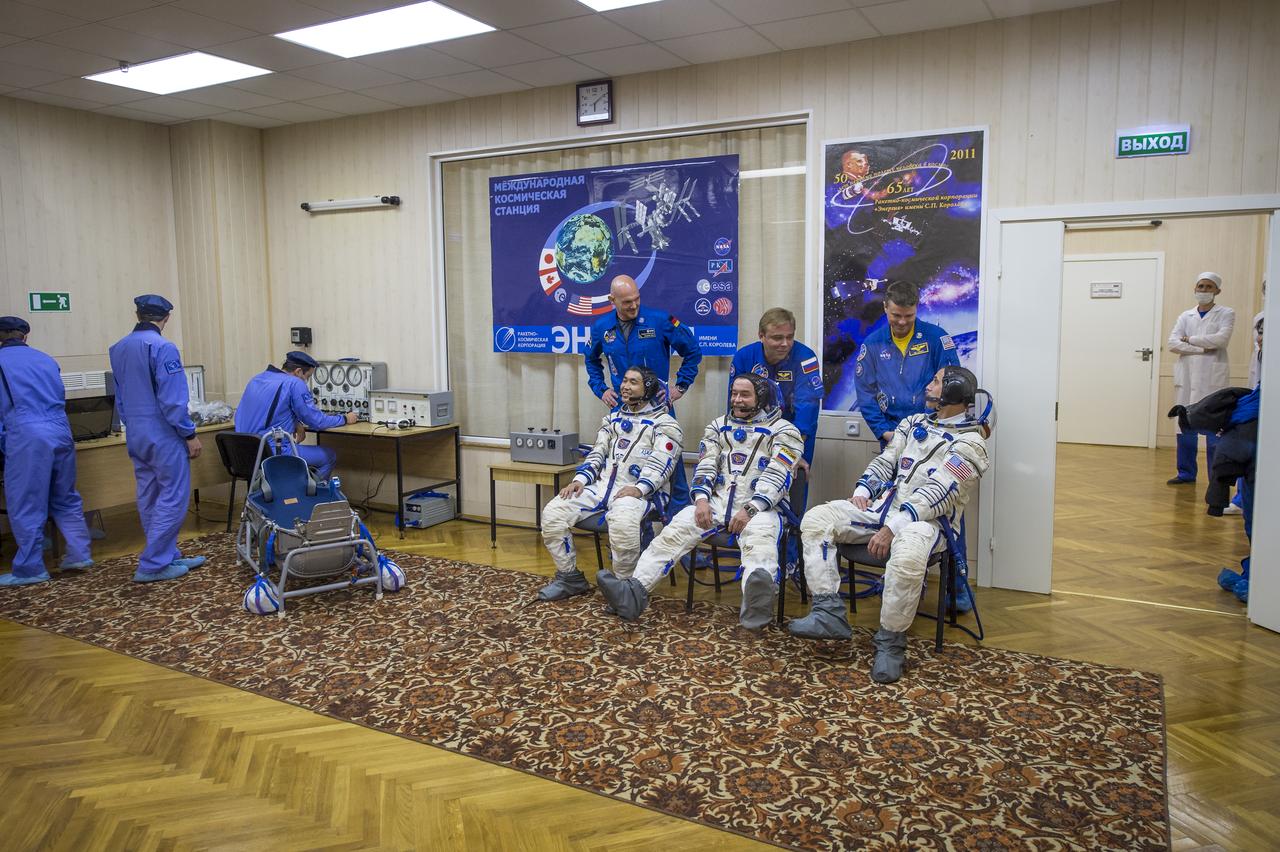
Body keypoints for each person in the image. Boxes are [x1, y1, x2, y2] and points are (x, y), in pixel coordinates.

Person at [790, 366, 989, 684]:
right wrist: (864, 489)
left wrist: (894, 527)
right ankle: (828, 613)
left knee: (909, 555)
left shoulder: (971, 444)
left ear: (952, 392)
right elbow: (888, 459)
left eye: (936, 382)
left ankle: (891, 644)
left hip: (930, 525)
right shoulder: (913, 424)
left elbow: (940, 492)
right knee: (816, 521)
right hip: (884, 509)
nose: (929, 386)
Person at [596, 373, 803, 631]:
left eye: (745, 395)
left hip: (761, 508)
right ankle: (633, 592)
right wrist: (702, 500)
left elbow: (778, 474)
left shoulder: (785, 431)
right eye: (734, 393)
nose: (737, 400)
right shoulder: (718, 427)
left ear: (762, 397)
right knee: (671, 534)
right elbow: (705, 467)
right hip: (716, 503)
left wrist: (751, 508)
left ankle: (756, 604)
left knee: (760, 544)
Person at [536, 366, 682, 601]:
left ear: (648, 388)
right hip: (602, 487)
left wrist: (639, 488)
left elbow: (662, 464)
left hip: (644, 493)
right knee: (554, 513)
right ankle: (570, 578)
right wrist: (579, 480)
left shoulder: (664, 424)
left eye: (633, 382)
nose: (625, 386)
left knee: (623, 525)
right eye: (624, 380)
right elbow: (597, 453)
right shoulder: (612, 419)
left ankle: (624, 590)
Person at [108, 295, 205, 583]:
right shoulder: (163, 347)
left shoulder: (119, 348)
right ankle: (153, 564)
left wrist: (132, 424)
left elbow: (120, 395)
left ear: (138, 314)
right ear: (166, 318)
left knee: (149, 495)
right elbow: (172, 400)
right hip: (163, 432)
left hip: (136, 431)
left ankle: (166, 554)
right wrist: (189, 433)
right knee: (173, 496)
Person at [584, 274, 701, 509]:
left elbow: (693, 351)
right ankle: (636, 533)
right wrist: (601, 389)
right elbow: (591, 360)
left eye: (636, 299)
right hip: (622, 411)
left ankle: (681, 534)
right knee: (624, 467)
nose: (634, 305)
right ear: (612, 300)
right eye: (627, 302)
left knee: (672, 468)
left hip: (658, 409)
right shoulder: (601, 328)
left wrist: (679, 387)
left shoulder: (660, 320)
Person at [0, 317, 94, 586]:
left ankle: (30, 569)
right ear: (25, 336)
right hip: (61, 430)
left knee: (27, 502)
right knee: (65, 497)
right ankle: (78, 553)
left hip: (27, 435)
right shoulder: (46, 359)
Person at [854, 280, 959, 447]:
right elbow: (865, 392)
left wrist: (930, 426)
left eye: (908, 316)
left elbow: (951, 386)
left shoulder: (936, 338)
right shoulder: (873, 344)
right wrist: (883, 431)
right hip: (892, 436)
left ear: (916, 308)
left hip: (932, 434)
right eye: (896, 315)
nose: (902, 322)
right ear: (885, 308)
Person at [234, 351, 357, 479]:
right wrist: (344, 418)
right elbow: (316, 421)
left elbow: (269, 411)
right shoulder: (294, 383)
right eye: (307, 377)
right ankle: (309, 495)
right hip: (273, 452)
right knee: (329, 456)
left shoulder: (257, 379)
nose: (306, 381)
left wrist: (295, 422)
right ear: (298, 372)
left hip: (243, 453)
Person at [729, 307, 823, 472]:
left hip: (796, 431)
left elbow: (807, 407)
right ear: (761, 336)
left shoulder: (805, 358)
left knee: (790, 481)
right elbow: (736, 405)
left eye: (790, 337)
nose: (785, 344)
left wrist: (793, 451)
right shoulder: (744, 357)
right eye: (777, 338)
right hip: (753, 430)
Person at [1166, 272, 1235, 485]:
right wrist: (1202, 348)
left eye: (1208, 287)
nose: (1203, 291)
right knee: (1185, 425)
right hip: (1187, 376)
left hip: (1211, 379)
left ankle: (1215, 477)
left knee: (1214, 428)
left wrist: (1190, 340)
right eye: (1200, 286)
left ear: (1217, 291)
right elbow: (1172, 343)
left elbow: (1221, 340)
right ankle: (1186, 473)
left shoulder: (1226, 313)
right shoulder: (1185, 316)